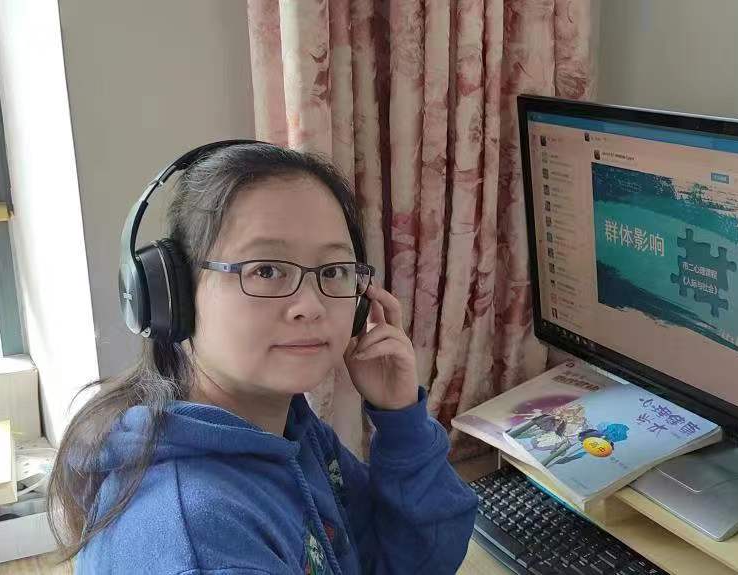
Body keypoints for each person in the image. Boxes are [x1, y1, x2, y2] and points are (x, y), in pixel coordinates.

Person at [48, 142, 479, 574]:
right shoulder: (200, 546)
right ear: (172, 297)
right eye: (266, 270)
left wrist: (401, 420)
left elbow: (415, 561)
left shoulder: (292, 430)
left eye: (333, 271)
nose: (310, 306)